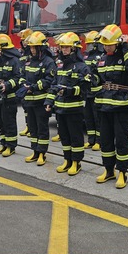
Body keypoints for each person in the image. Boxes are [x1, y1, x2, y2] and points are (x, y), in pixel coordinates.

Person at [94, 24, 128, 189]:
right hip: (104, 104)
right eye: (105, 44)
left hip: (121, 106)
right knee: (106, 140)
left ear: (118, 43)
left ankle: (122, 173)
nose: (107, 46)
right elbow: (98, 77)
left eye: (110, 44)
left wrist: (126, 46)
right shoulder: (102, 58)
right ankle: (108, 170)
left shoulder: (126, 55)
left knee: (121, 141)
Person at [45, 32, 91, 175]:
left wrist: (69, 91)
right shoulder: (59, 66)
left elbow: (85, 89)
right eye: (63, 47)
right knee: (64, 136)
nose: (64, 50)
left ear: (74, 48)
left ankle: (76, 163)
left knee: (75, 137)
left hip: (74, 110)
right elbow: (53, 85)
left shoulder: (82, 67)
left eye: (67, 47)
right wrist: (49, 102)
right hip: (60, 110)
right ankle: (67, 160)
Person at [22, 31, 57, 166]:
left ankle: (42, 153)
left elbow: (49, 80)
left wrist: (34, 87)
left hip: (41, 101)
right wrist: (23, 85)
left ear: (41, 48)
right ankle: (35, 151)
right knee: (32, 127)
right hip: (29, 101)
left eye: (34, 47)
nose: (32, 50)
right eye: (30, 47)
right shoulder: (29, 61)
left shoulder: (48, 62)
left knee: (42, 128)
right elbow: (22, 75)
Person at [0, 33, 23, 157]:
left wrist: (6, 85)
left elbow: (18, 78)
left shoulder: (14, 60)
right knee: (0, 121)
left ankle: (11, 146)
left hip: (9, 97)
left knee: (9, 122)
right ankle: (3, 143)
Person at [83, 30, 103, 151]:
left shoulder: (100, 56)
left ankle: (99, 141)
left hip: (97, 92)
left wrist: (93, 78)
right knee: (88, 117)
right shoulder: (85, 56)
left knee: (97, 118)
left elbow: (100, 75)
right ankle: (91, 139)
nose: (88, 46)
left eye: (90, 44)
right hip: (87, 93)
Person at [17, 28, 33, 138]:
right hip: (24, 83)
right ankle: (28, 126)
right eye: (23, 41)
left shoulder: (34, 53)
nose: (24, 43)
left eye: (26, 40)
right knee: (25, 106)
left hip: (32, 85)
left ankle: (32, 128)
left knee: (32, 109)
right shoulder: (22, 53)